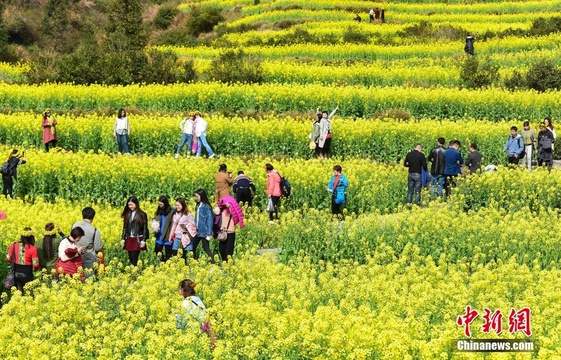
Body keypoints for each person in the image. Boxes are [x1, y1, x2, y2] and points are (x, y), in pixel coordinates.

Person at [72, 207, 105, 277]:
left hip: (74, 258)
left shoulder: (74, 225)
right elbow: (97, 248)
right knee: (88, 281)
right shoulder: (95, 230)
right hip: (88, 260)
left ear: (83, 215)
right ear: (93, 217)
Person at [5, 228, 40, 293]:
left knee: (18, 293)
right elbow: (36, 265)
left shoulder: (14, 245)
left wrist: (12, 263)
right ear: (31, 237)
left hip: (15, 273)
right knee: (28, 293)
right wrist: (36, 269)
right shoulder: (33, 248)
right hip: (27, 274)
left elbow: (8, 258)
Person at [120, 196, 149, 266]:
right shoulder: (127, 214)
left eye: (132, 204)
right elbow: (125, 227)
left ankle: (135, 273)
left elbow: (145, 228)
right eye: (129, 205)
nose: (130, 206)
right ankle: (133, 272)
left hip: (138, 238)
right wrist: (123, 238)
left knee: (134, 257)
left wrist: (144, 240)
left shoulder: (142, 214)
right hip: (129, 238)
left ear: (136, 204)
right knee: (130, 258)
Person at [216, 195, 244, 262]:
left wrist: (230, 207)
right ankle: (224, 263)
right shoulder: (222, 210)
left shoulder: (232, 210)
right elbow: (216, 213)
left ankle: (229, 265)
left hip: (230, 232)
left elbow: (238, 215)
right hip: (223, 232)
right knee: (221, 249)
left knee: (228, 252)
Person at [169, 197, 196, 262]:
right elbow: (174, 225)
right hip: (177, 236)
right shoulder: (176, 214)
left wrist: (186, 226)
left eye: (178, 205)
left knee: (186, 254)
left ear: (183, 205)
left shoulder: (188, 214)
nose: (177, 207)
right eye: (176, 205)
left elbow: (193, 225)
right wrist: (171, 235)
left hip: (185, 237)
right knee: (174, 252)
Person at [193, 189, 215, 263]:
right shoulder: (198, 206)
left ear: (202, 196)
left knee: (206, 248)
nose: (196, 198)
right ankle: (193, 262)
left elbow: (209, 220)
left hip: (204, 231)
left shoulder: (206, 207)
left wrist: (209, 233)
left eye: (197, 196)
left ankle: (213, 263)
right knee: (192, 247)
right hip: (197, 231)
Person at [152, 196, 174, 262]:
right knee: (157, 251)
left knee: (168, 255)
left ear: (165, 203)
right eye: (158, 204)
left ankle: (168, 266)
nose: (160, 206)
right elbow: (155, 220)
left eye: (161, 204)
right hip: (159, 236)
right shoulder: (158, 211)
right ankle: (163, 263)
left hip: (168, 236)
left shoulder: (172, 211)